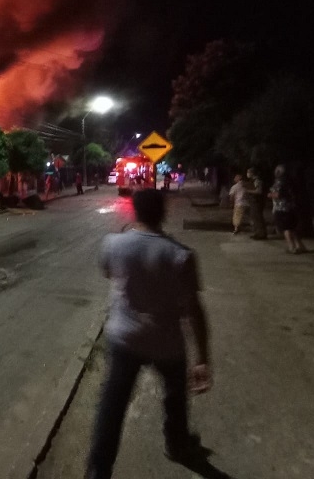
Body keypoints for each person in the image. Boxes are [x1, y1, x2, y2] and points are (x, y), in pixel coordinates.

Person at [86, 189, 212, 479]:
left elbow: (108, 273)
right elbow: (195, 312)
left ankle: (98, 471)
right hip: (167, 343)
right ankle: (177, 444)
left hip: (124, 339)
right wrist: (202, 358)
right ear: (164, 213)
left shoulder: (113, 244)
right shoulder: (181, 255)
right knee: (175, 399)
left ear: (134, 211)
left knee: (112, 407)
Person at [269, 164, 307, 254]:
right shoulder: (290, 181)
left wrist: (270, 195)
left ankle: (292, 247)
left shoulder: (279, 182)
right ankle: (300, 246)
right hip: (291, 207)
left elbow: (278, 195)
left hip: (281, 208)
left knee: (286, 229)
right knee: (292, 228)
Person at [244, 167, 267, 239]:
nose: (247, 174)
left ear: (252, 173)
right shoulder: (253, 181)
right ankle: (257, 233)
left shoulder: (257, 181)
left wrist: (247, 191)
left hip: (257, 202)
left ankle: (262, 234)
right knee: (255, 218)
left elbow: (259, 191)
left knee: (258, 218)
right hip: (254, 202)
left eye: (248, 172)